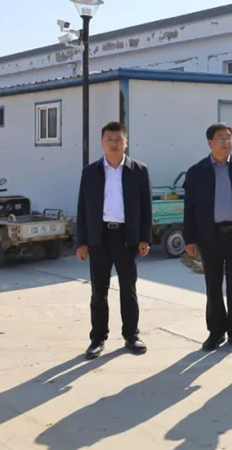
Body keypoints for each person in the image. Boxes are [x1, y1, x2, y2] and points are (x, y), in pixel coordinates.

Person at [75, 121, 152, 360]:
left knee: (128, 289)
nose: (114, 144)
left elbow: (146, 208)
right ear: (102, 142)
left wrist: (144, 238)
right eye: (109, 139)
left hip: (127, 238)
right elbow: (82, 208)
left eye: (119, 139)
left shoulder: (139, 171)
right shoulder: (91, 172)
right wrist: (82, 242)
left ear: (126, 142)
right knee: (99, 291)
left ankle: (131, 335)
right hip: (99, 238)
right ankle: (97, 339)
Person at [184, 123, 232, 351]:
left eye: (229, 137)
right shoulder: (197, 171)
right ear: (210, 143)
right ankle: (216, 333)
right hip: (209, 236)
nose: (226, 142)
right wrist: (190, 239)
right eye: (220, 138)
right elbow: (190, 208)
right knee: (213, 285)